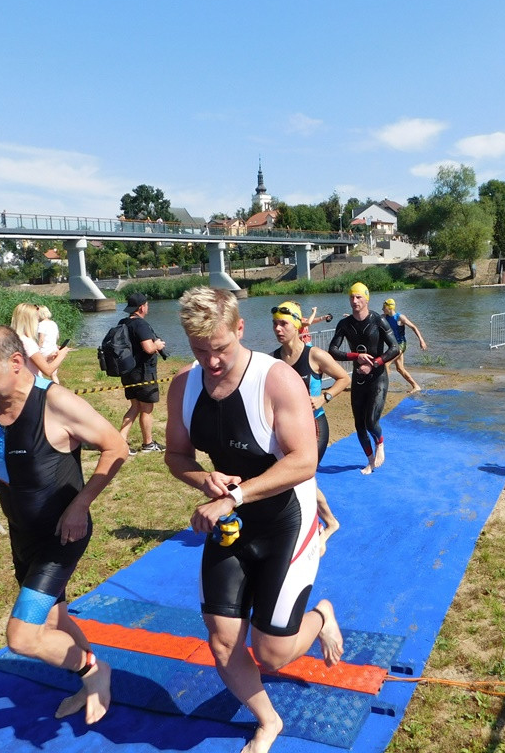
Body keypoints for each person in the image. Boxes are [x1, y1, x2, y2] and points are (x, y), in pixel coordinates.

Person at [164, 287, 344, 753]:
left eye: (220, 349)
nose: (212, 362)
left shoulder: (276, 379)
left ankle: (321, 615)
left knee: (272, 653)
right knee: (223, 642)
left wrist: (235, 495)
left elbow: (305, 461)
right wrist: (204, 480)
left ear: (240, 329)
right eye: (200, 351)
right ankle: (268, 721)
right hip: (233, 524)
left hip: (286, 518)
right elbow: (176, 455)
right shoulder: (184, 386)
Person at [0, 326, 127, 725]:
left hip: (62, 535)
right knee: (55, 619)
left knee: (22, 637)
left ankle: (95, 671)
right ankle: (89, 683)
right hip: (21, 533)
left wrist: (81, 504)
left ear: (16, 362)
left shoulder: (57, 403)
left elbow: (116, 447)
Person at [271, 300, 351, 554]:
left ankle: (325, 525)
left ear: (296, 325)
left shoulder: (313, 355)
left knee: (301, 477)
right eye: (275, 324)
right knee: (295, 479)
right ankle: (319, 523)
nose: (278, 329)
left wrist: (325, 396)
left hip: (314, 426)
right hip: (288, 430)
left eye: (283, 324)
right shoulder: (273, 359)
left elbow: (344, 377)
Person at [328, 282, 401, 474]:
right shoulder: (344, 324)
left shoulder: (378, 320)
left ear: (366, 299)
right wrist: (355, 356)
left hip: (378, 378)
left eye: (359, 297)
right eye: (352, 297)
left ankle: (381, 442)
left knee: (371, 421)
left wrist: (374, 363)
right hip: (358, 380)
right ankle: (369, 461)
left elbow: (395, 348)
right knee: (359, 425)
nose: (354, 301)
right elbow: (332, 350)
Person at [117, 292, 167, 455]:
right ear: (142, 307)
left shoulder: (123, 322)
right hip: (143, 373)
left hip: (128, 371)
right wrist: (158, 345)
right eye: (147, 304)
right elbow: (148, 348)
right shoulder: (141, 325)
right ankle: (148, 444)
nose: (148, 307)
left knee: (135, 406)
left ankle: (120, 440)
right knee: (146, 409)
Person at [11, 303, 69, 380]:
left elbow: (28, 364)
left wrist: (47, 358)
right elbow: (48, 371)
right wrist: (61, 355)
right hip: (32, 385)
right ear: (30, 321)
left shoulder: (12, 339)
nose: (38, 322)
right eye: (37, 319)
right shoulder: (28, 343)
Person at [381, 297, 428, 392]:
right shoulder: (384, 317)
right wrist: (353, 316)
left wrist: (421, 340)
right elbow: (371, 319)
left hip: (401, 345)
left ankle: (382, 387)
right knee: (400, 369)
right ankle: (416, 386)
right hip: (393, 346)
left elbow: (413, 327)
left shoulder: (400, 317)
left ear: (389, 308)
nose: (382, 309)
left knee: (385, 364)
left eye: (384, 307)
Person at [36, 306, 62, 384]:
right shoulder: (53, 323)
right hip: (54, 349)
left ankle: (40, 390)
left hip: (45, 350)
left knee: (38, 371)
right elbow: (57, 337)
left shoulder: (41, 324)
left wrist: (37, 349)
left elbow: (41, 339)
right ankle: (58, 390)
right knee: (53, 374)